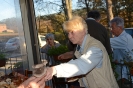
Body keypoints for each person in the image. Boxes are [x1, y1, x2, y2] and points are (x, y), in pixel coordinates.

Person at [18, 16, 119, 88]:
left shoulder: (95, 48)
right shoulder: (80, 47)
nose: (69, 36)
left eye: (72, 32)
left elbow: (82, 65)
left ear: (83, 30)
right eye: (68, 33)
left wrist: (53, 70)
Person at [109, 17, 133, 82]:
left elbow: (107, 42)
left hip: (126, 75)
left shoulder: (125, 38)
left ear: (119, 27)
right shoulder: (119, 38)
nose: (111, 30)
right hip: (121, 73)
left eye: (112, 28)